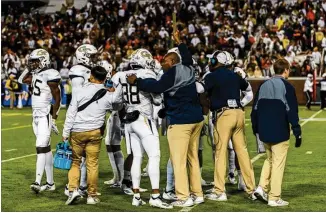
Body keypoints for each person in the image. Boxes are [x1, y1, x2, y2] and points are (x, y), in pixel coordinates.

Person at [127, 31, 204, 208]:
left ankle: (183, 196)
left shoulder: (173, 72)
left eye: (165, 60)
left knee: (178, 161)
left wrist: (137, 82)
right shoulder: (189, 68)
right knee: (192, 159)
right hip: (196, 119)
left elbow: (157, 86)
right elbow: (188, 58)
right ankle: (197, 193)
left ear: (174, 62)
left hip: (181, 122)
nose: (162, 62)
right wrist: (180, 42)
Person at [113, 48, 172, 209]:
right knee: (154, 156)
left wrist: (128, 104)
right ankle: (155, 196)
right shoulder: (147, 74)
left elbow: (115, 100)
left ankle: (137, 196)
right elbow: (158, 100)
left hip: (129, 121)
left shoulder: (124, 75)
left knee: (137, 157)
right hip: (143, 119)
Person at [196, 50, 256, 201]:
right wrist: (239, 103)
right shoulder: (235, 75)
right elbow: (248, 90)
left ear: (218, 62)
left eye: (212, 61)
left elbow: (199, 89)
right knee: (242, 152)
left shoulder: (211, 76)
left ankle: (219, 191)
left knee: (220, 152)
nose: (210, 63)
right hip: (239, 114)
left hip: (223, 115)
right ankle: (251, 189)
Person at [62, 66, 122, 205]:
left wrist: (65, 133)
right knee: (92, 164)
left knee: (76, 162)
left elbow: (71, 113)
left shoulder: (79, 90)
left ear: (92, 77)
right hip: (95, 132)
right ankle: (92, 196)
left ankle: (73, 190)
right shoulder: (107, 94)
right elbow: (117, 105)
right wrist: (113, 90)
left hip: (77, 131)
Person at [251, 58, 302, 207]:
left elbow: (254, 110)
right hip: (279, 130)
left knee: (270, 160)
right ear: (286, 70)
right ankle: (274, 197)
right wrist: (297, 131)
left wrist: (256, 130)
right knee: (278, 163)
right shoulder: (288, 87)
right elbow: (292, 111)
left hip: (264, 131)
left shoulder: (263, 85)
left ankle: (261, 187)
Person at [18, 48, 61, 193]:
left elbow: (57, 98)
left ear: (43, 60)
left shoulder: (51, 74)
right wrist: (28, 68)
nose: (33, 64)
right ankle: (50, 183)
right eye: (32, 62)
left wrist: (54, 118)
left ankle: (37, 181)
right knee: (46, 150)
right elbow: (21, 80)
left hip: (44, 115)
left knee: (40, 147)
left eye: (35, 61)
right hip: (35, 117)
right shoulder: (37, 74)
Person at [65, 44, 98, 197]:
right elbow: (78, 97)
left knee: (85, 156)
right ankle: (71, 187)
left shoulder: (86, 70)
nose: (94, 59)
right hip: (80, 116)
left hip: (88, 115)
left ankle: (82, 186)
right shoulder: (78, 70)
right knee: (79, 157)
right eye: (92, 56)